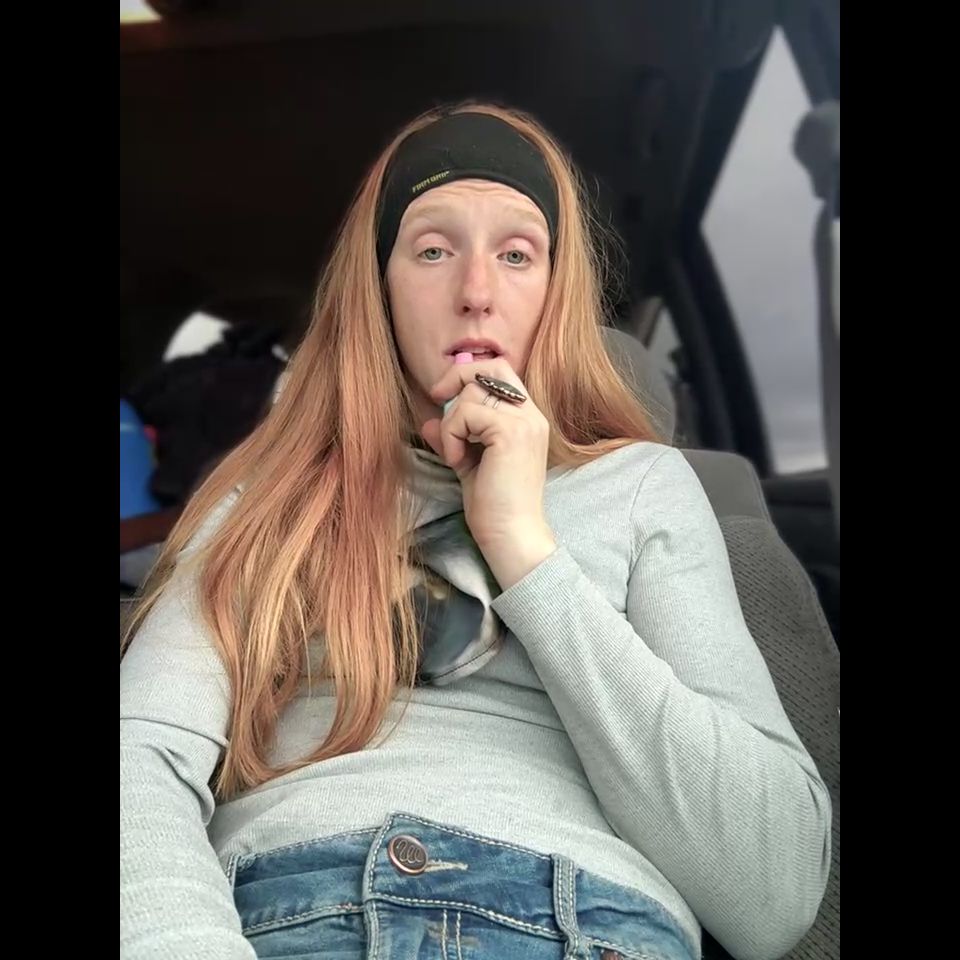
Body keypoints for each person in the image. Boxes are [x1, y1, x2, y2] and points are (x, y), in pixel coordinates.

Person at [120, 102, 831, 960]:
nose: (476, 293)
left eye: (517, 254)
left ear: (555, 294)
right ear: (379, 291)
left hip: (583, 924)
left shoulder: (643, 486)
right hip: (289, 912)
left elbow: (773, 892)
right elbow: (141, 753)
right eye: (432, 250)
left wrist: (525, 549)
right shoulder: (264, 496)